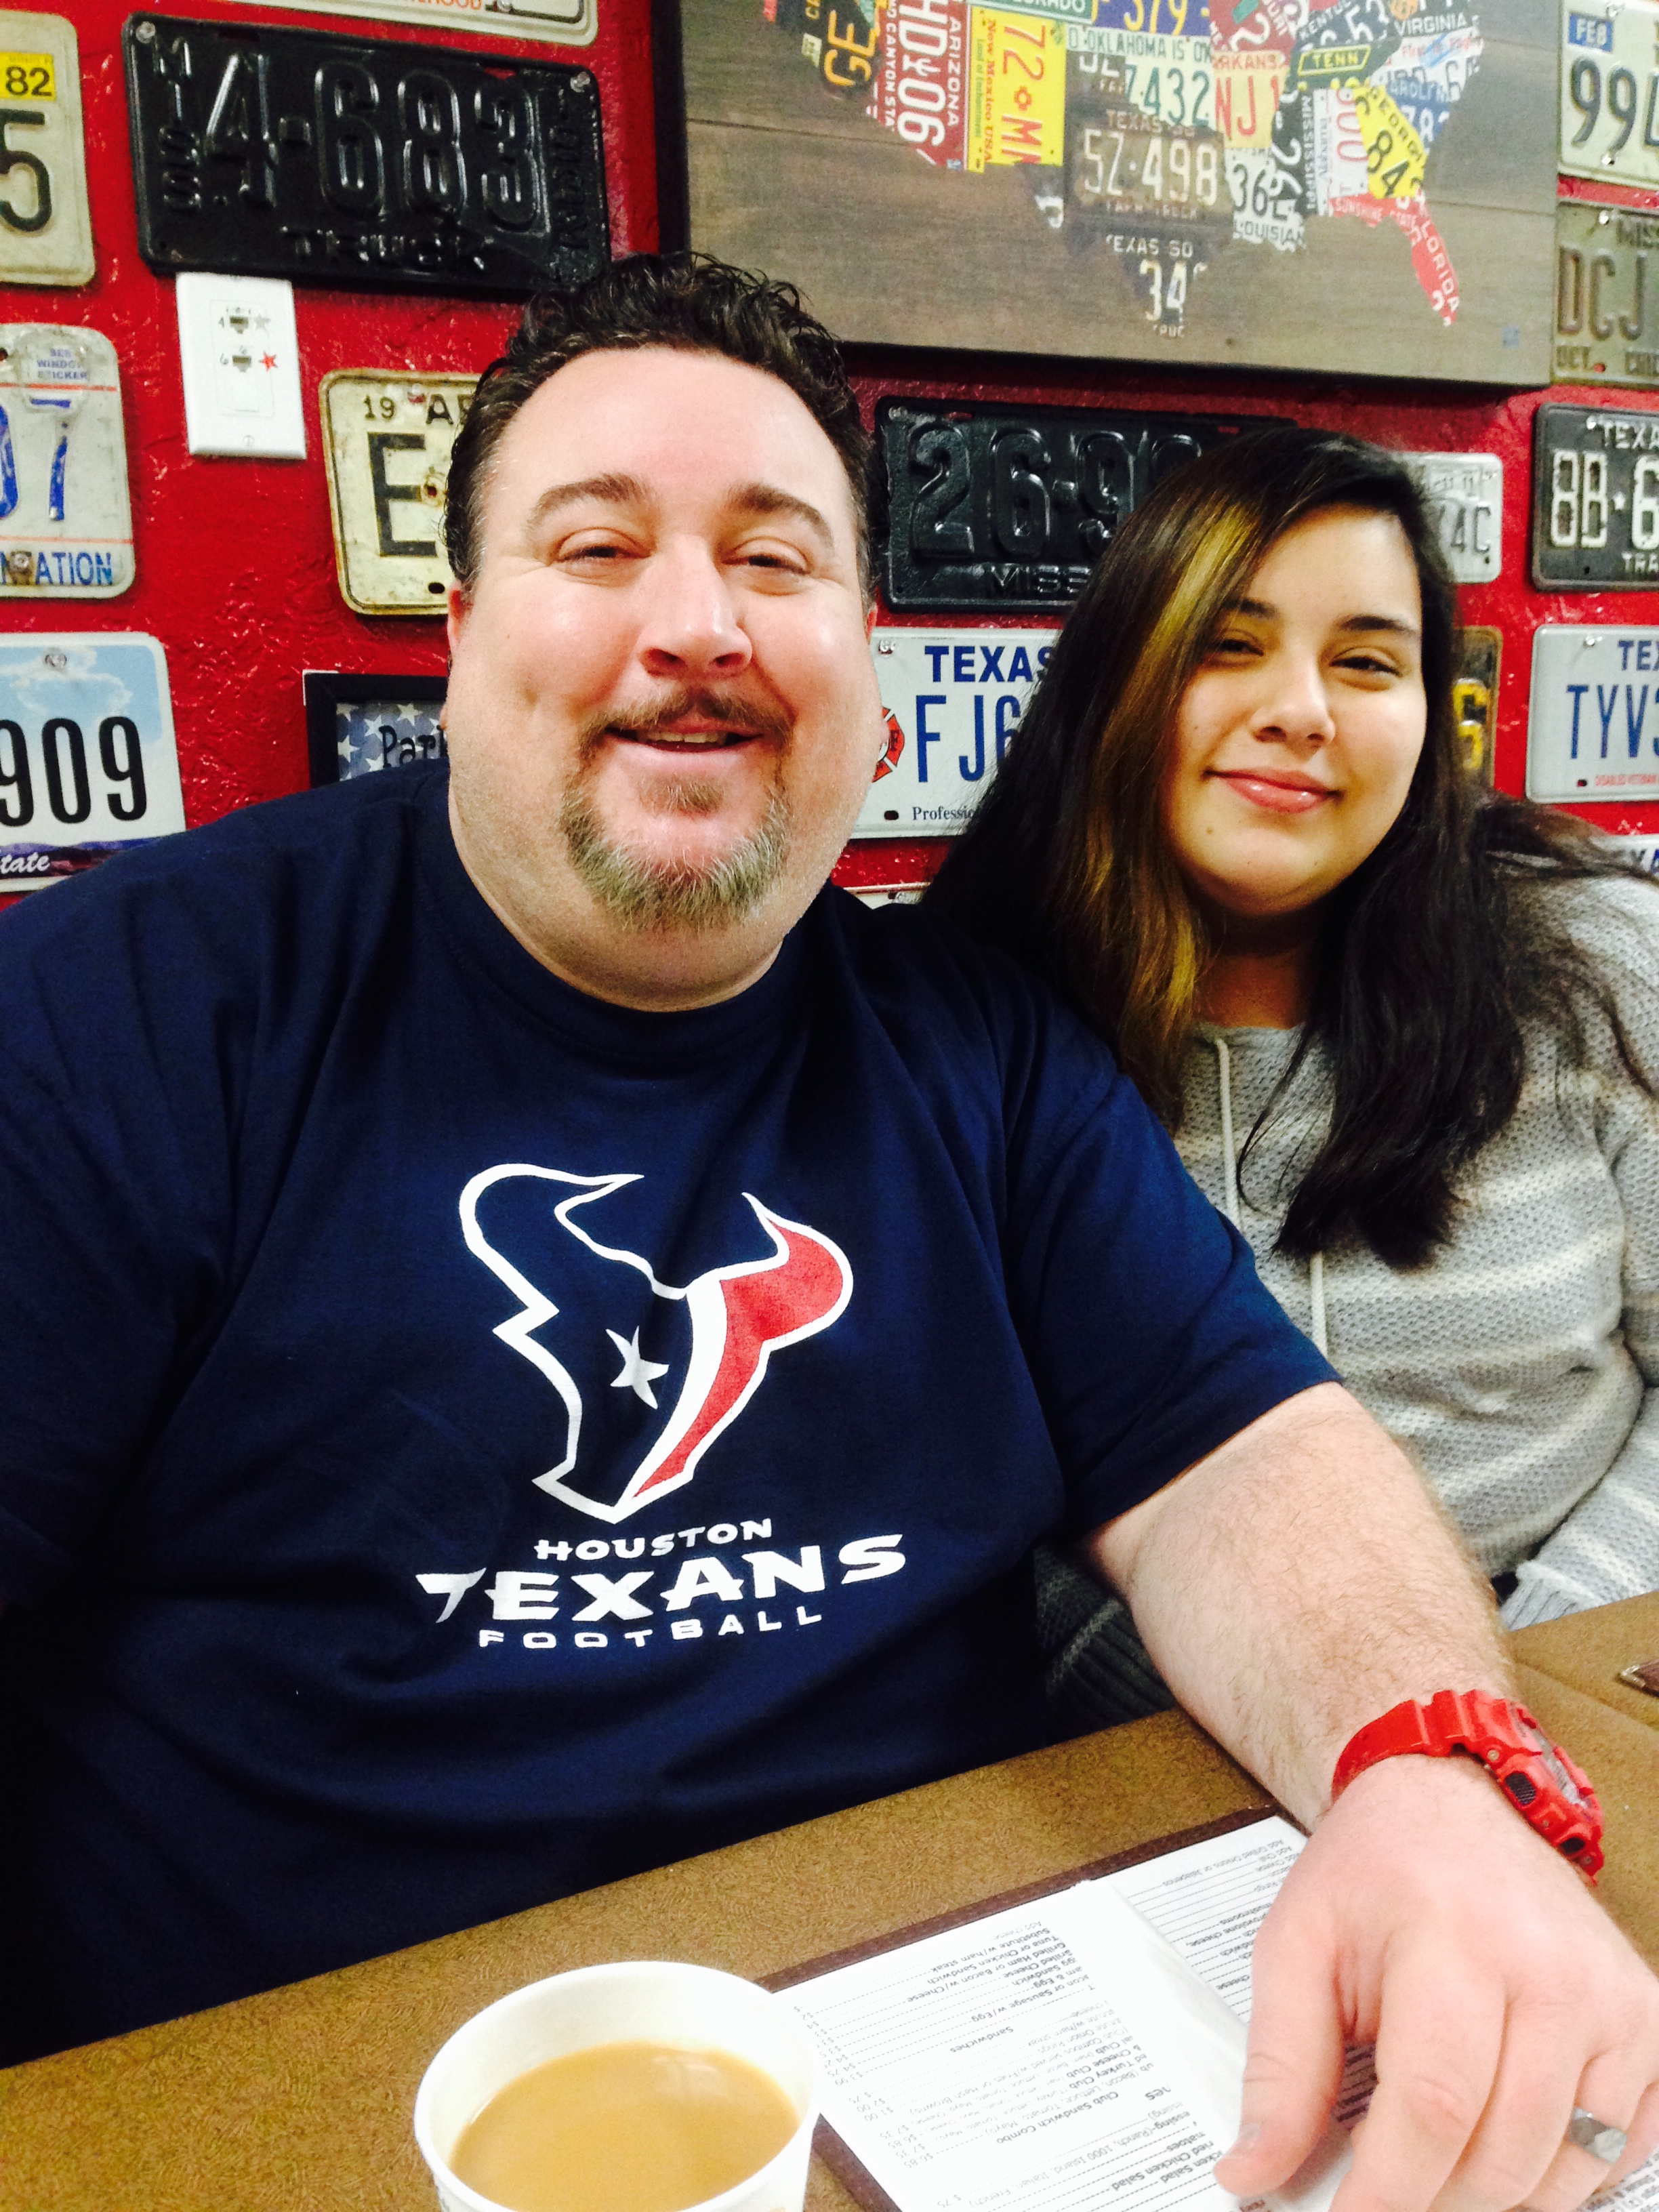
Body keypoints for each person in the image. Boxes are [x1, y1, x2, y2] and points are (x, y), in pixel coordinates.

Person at [1, 260, 1656, 2211]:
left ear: (867, 660)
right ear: (457, 635)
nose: (696, 628)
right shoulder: (124, 1009)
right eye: (598, 545)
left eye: (777, 562)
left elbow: (1243, 1461)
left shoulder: (975, 1050)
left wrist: (1427, 1770)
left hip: (929, 2064)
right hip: (287, 2099)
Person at [926, 427, 1659, 1734]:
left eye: (1367, 661)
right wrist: (1294, 1717)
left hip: (1588, 1693)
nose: (1303, 710)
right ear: (1120, 681)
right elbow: (959, 1504)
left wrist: (1514, 1696)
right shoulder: (966, 1032)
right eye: (1231, 642)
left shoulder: (1598, 961)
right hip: (1163, 1754)